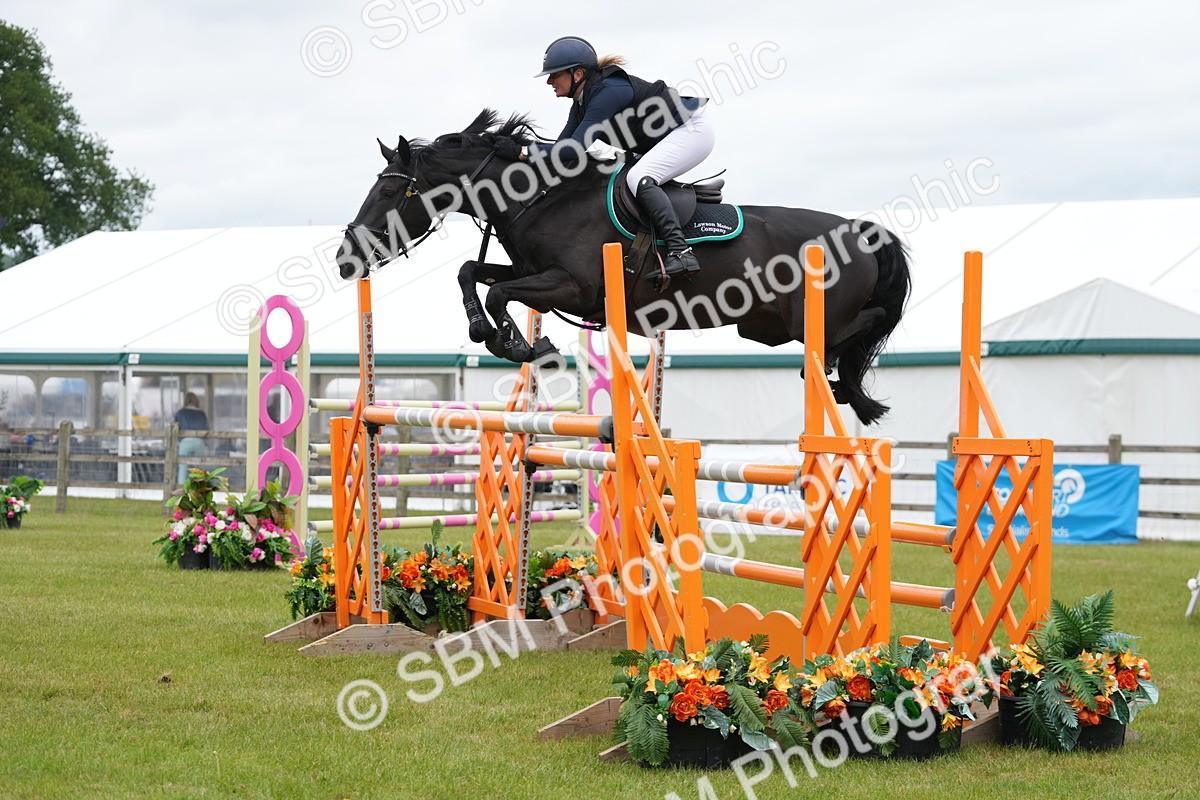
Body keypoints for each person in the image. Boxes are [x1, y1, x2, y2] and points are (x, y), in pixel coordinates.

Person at [509, 36, 715, 281]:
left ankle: (681, 252)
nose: (549, 81)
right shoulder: (581, 104)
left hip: (690, 130)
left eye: (555, 75)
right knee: (615, 182)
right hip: (659, 140)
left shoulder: (609, 91)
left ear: (577, 74)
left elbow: (574, 150)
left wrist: (524, 152)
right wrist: (520, 149)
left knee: (639, 177)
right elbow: (562, 150)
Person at [174, 392, 208, 485]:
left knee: (183, 467)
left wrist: (177, 442)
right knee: (199, 467)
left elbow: (175, 429)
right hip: (199, 442)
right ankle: (199, 488)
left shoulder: (180, 413)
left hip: (185, 442)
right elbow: (206, 429)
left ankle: (181, 489)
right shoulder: (202, 413)